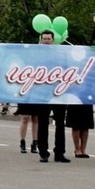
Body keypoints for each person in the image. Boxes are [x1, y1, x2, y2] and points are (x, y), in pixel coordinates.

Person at [33, 30, 68, 163]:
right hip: (42, 94)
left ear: (53, 40)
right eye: (45, 39)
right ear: (41, 40)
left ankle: (59, 153)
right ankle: (43, 152)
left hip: (58, 93)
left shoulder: (61, 55)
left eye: (49, 39)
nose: (47, 41)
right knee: (43, 123)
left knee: (60, 124)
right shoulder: (37, 55)